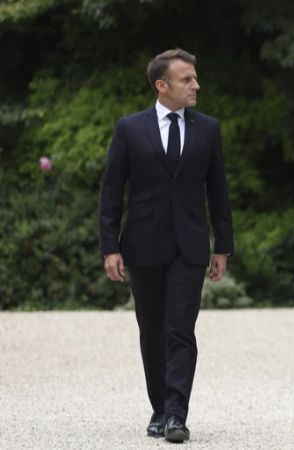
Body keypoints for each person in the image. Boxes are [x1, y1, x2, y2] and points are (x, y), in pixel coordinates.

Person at [99, 48, 234, 443]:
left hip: (189, 247)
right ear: (162, 85)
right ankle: (158, 407)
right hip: (142, 245)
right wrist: (110, 247)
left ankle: (176, 414)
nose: (196, 85)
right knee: (151, 330)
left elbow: (219, 191)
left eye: (195, 77)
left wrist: (222, 246)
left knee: (181, 330)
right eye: (186, 79)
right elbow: (111, 192)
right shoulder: (130, 128)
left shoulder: (207, 128)